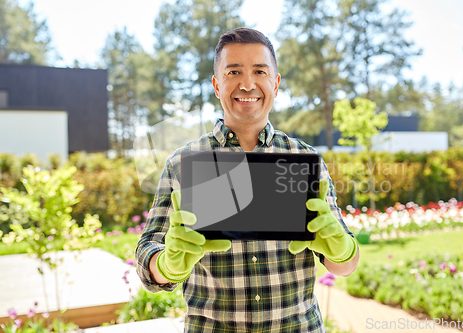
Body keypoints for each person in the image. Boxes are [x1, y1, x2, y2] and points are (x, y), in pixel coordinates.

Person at [136, 27, 359, 333]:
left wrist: (342, 250)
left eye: (259, 71)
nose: (248, 83)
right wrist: (165, 265)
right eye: (234, 71)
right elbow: (147, 252)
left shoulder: (305, 160)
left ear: (276, 84)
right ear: (217, 85)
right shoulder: (182, 164)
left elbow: (346, 265)